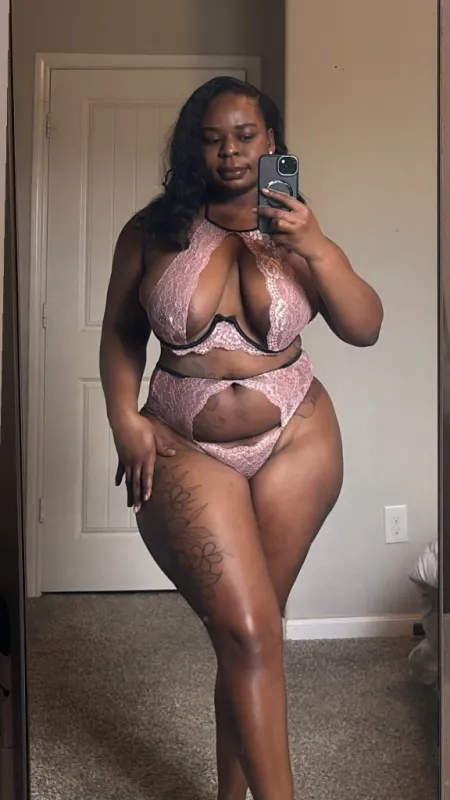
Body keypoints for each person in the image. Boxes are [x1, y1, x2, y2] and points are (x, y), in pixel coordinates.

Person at [100, 76, 383, 800]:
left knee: (252, 638)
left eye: (246, 135)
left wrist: (316, 246)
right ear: (192, 147)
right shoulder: (152, 230)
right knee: (247, 633)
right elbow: (121, 332)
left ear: (273, 142)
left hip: (296, 437)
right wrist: (123, 416)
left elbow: (365, 327)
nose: (229, 151)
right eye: (212, 138)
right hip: (184, 440)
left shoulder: (297, 228)